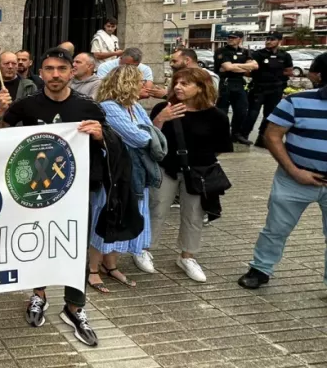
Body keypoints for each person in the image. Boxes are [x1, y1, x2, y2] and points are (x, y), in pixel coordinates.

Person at [0, 47, 105, 347]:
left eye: (61, 69)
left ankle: (74, 307)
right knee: (37, 242)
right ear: (41, 72)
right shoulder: (26, 105)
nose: (55, 74)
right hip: (36, 191)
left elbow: (110, 146)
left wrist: (101, 136)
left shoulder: (89, 107)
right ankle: (38, 294)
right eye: (49, 69)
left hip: (76, 191)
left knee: (75, 246)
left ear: (72, 72)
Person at [238, 80, 327, 290]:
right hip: (294, 179)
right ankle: (260, 269)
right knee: (276, 228)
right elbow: (272, 135)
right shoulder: (297, 101)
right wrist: (294, 171)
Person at [150, 68, 231, 283]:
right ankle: (144, 249)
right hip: (166, 168)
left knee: (194, 214)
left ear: (201, 88)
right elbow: (149, 139)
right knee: (156, 208)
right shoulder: (163, 107)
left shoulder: (217, 116)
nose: (178, 87)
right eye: (176, 82)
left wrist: (197, 161)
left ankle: (187, 256)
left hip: (198, 172)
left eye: (185, 83)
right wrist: (159, 119)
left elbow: (220, 147)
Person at [89, 66, 156, 291]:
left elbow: (149, 131)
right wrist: (147, 133)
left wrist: (148, 133)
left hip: (133, 172)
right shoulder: (109, 107)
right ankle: (93, 269)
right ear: (127, 83)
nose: (143, 86)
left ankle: (111, 265)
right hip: (113, 172)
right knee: (107, 215)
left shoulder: (134, 106)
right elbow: (140, 137)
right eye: (139, 81)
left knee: (124, 216)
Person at [245, 33, 293, 148]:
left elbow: (289, 71)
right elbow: (248, 71)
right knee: (252, 113)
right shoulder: (258, 54)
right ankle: (243, 135)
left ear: (279, 41)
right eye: (267, 39)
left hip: (275, 89)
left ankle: (262, 139)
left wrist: (276, 75)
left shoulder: (284, 55)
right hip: (259, 88)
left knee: (269, 115)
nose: (269, 41)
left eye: (272, 39)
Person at [214, 31, 258, 145]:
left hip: (239, 83)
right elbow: (228, 67)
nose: (230, 39)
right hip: (225, 83)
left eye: (234, 38)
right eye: (229, 37)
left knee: (241, 110)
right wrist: (245, 67)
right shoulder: (221, 51)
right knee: (222, 111)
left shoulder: (245, 51)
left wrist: (236, 66)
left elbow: (255, 66)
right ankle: (221, 135)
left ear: (240, 39)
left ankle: (236, 134)